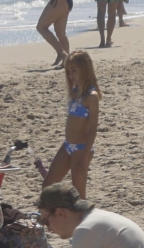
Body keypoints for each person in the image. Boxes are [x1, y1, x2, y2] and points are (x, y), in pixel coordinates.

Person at [41, 50, 102, 197]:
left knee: (79, 196)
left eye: (74, 71)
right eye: (68, 71)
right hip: (67, 145)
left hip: (81, 149)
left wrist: (84, 157)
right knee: (47, 187)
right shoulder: (75, 91)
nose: (70, 75)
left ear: (84, 69)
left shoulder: (91, 96)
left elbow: (93, 130)